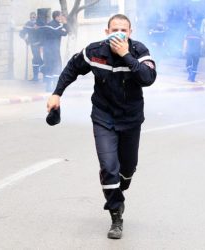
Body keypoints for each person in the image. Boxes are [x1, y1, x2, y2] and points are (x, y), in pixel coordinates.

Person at [46, 14, 156, 239]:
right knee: (108, 167)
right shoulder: (95, 51)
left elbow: (148, 78)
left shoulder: (139, 51)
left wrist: (125, 55)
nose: (119, 33)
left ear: (130, 32)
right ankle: (116, 215)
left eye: (123, 30)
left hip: (131, 119)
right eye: (114, 29)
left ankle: (119, 188)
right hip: (103, 117)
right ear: (106, 32)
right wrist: (57, 93)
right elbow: (72, 69)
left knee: (127, 169)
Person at [40, 11, 69, 92]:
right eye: (60, 16)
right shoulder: (56, 26)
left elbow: (42, 37)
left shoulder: (48, 25)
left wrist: (42, 47)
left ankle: (48, 87)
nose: (61, 18)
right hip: (54, 51)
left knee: (49, 67)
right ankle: (54, 86)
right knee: (56, 66)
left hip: (47, 50)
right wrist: (65, 23)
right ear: (56, 17)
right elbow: (65, 33)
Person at [19, 12, 43, 81]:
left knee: (38, 59)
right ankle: (35, 77)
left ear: (36, 17)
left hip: (39, 44)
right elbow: (22, 33)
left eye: (34, 17)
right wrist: (26, 40)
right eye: (31, 17)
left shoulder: (39, 24)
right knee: (35, 60)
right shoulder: (28, 24)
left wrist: (41, 43)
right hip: (32, 44)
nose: (33, 18)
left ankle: (45, 73)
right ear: (30, 17)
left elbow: (43, 34)